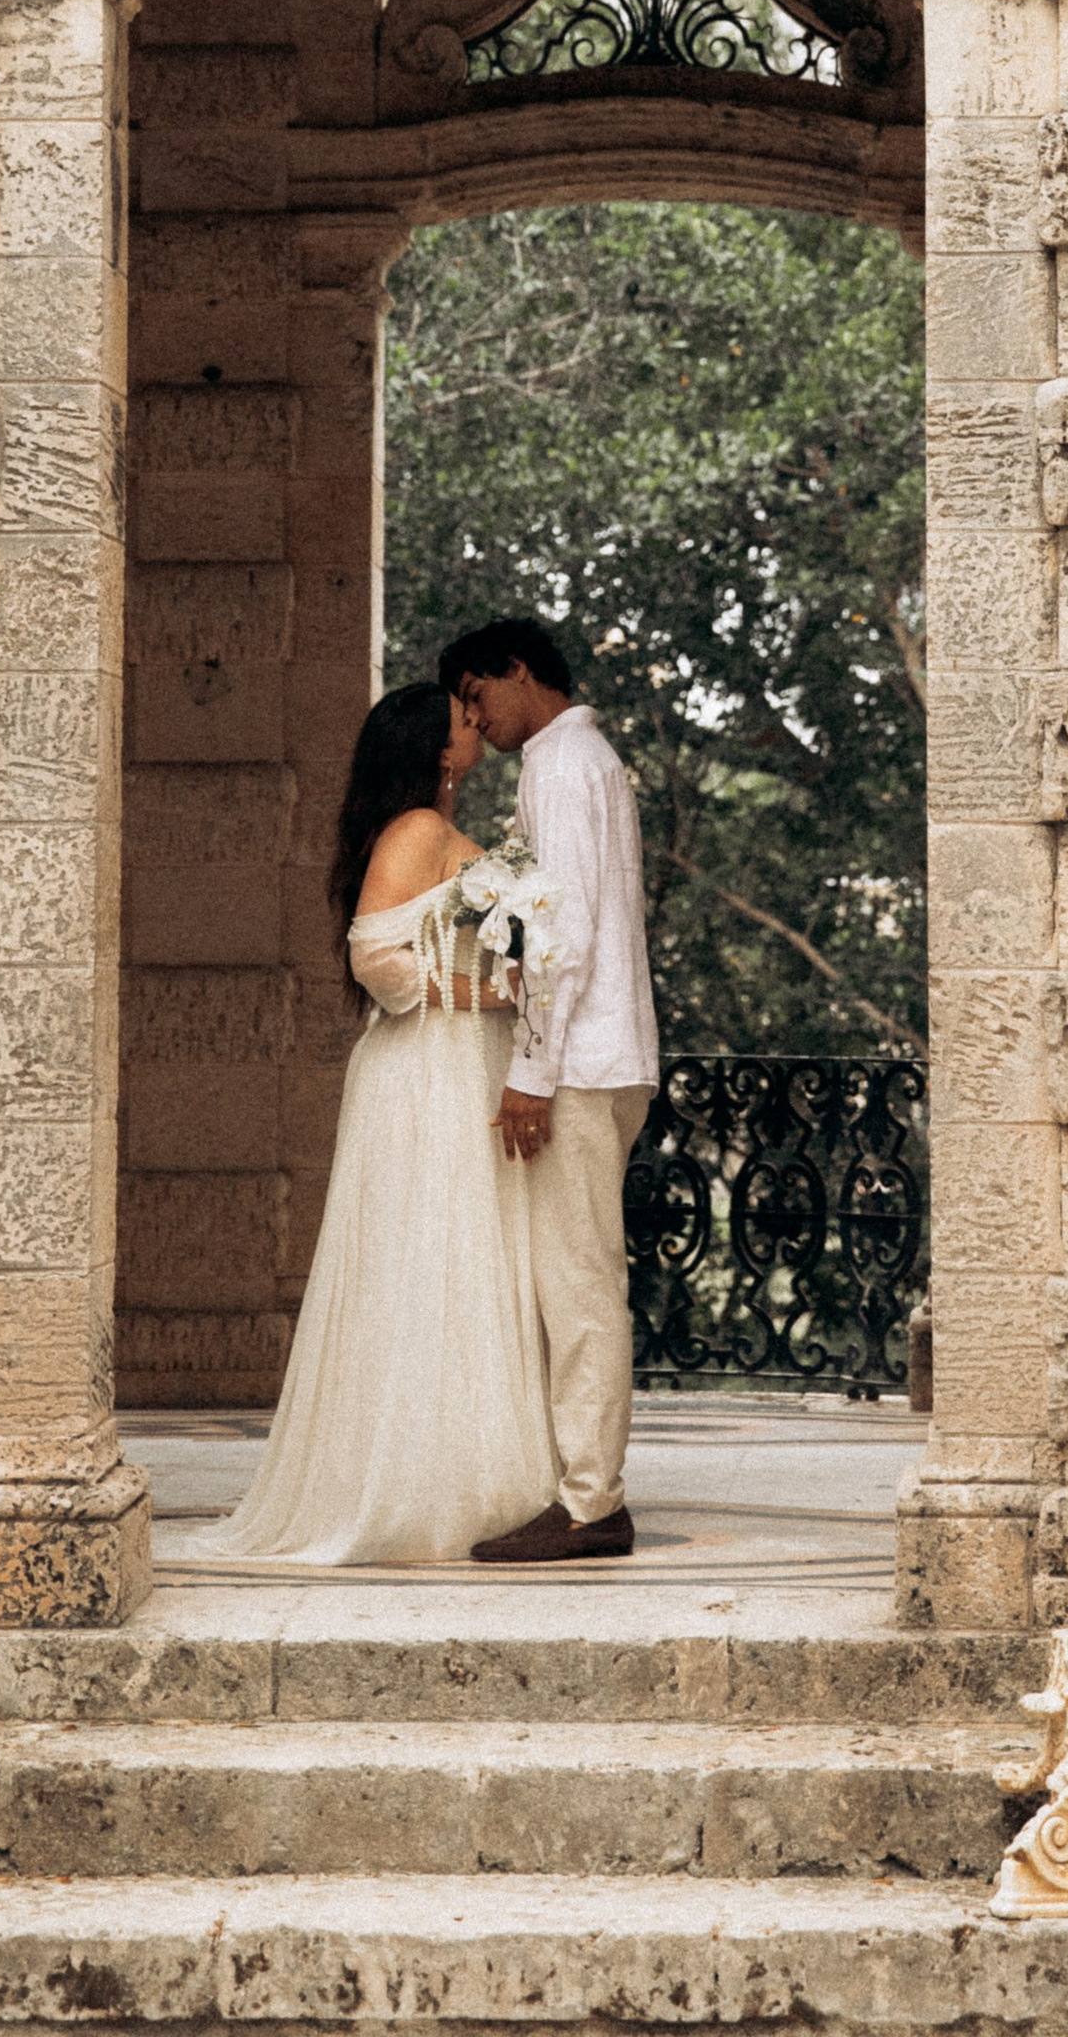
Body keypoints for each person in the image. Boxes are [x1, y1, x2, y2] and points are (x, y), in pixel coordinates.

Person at [196, 683, 559, 1568]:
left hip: (459, 1060)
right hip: (431, 1066)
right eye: (461, 720)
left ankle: (469, 1472)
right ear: (437, 751)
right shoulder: (416, 833)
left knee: (467, 1259)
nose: (476, 722)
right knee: (431, 1258)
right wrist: (491, 991)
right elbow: (377, 958)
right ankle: (415, 1486)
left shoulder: (432, 831)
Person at [437, 615, 659, 1563]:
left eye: (477, 697)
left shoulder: (564, 767)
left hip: (580, 1063)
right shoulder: (580, 761)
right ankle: (581, 1490)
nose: (475, 721)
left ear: (519, 673)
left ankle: (588, 1504)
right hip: (604, 1054)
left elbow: (555, 935)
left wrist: (530, 1073)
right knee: (576, 1280)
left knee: (577, 1287)